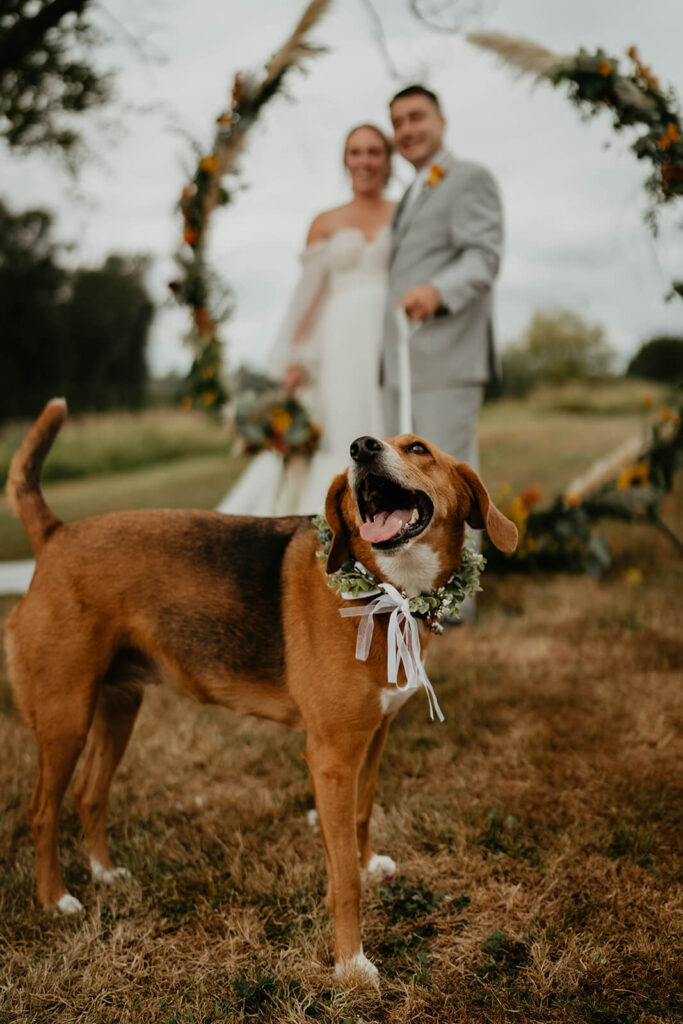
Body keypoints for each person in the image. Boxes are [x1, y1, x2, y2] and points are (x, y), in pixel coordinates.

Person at [218, 124, 395, 517]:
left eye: (373, 152)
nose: (364, 161)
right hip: (341, 339)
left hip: (391, 338)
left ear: (388, 160)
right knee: (344, 426)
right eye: (355, 152)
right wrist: (296, 357)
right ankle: (336, 523)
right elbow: (308, 300)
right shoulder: (325, 222)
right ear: (345, 161)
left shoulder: (403, 215)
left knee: (390, 428)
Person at [382, 84, 503, 472]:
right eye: (397, 122)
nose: (406, 130)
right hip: (401, 366)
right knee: (411, 492)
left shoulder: (469, 177)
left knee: (449, 487)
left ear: (442, 122)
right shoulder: (409, 193)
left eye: (416, 117)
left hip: (446, 362)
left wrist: (437, 291)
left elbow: (483, 257)